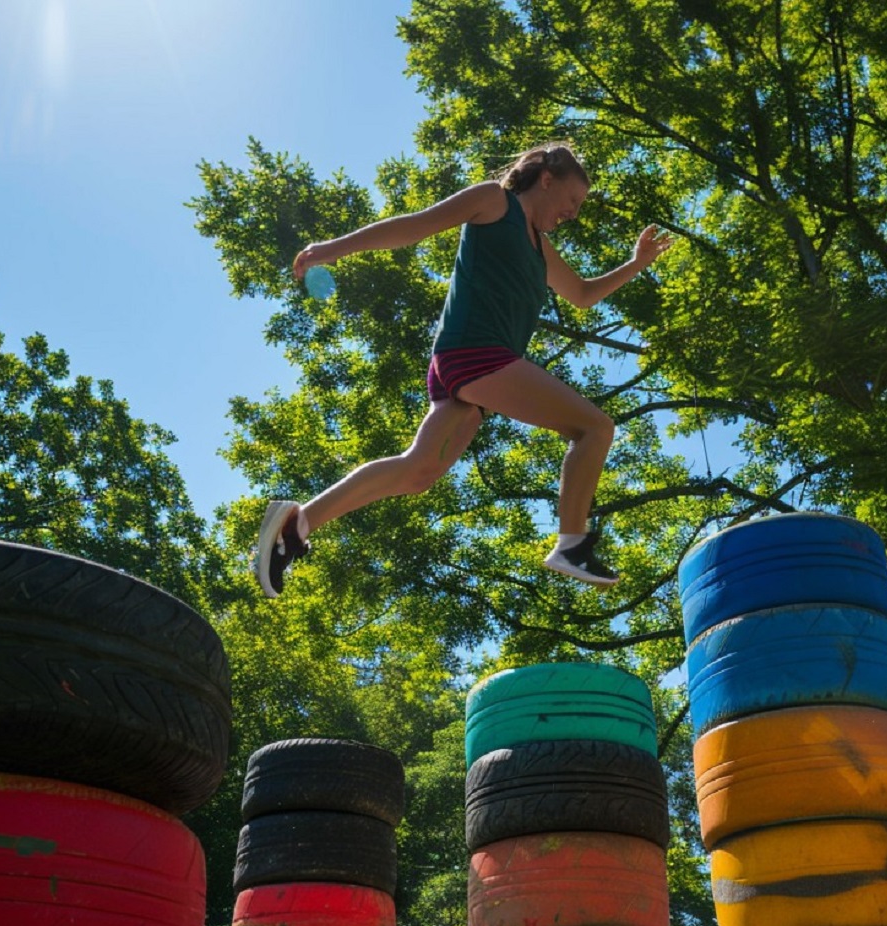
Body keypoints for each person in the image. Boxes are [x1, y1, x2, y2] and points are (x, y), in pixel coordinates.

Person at [256, 142, 674, 598]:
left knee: (417, 472)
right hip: (476, 355)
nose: (573, 214)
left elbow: (583, 294)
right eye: (572, 201)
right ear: (547, 179)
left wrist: (636, 265)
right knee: (594, 428)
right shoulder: (494, 202)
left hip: (469, 369)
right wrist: (330, 249)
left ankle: (297, 524)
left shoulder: (541, 249)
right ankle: (572, 543)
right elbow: (413, 228)